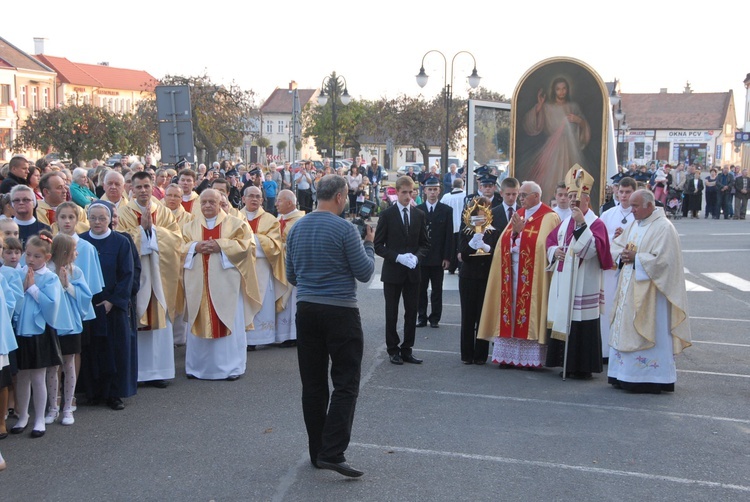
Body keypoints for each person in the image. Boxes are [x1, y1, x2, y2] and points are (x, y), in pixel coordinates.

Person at [286, 174, 375, 477]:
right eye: (347, 194)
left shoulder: (297, 227)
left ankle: (317, 451)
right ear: (339, 196)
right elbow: (364, 273)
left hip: (307, 309)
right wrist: (370, 246)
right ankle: (333, 451)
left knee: (312, 383)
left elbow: (291, 275)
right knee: (346, 381)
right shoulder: (345, 228)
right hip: (339, 311)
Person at [608, 189, 691, 393]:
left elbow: (665, 262)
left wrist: (637, 258)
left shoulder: (664, 228)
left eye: (636, 206)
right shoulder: (637, 223)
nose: (632, 210)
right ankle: (623, 374)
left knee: (651, 329)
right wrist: (623, 255)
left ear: (649, 205)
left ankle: (650, 377)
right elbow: (617, 246)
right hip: (629, 288)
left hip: (652, 296)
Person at [181, 189, 261, 380]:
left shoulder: (237, 224)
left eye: (212, 202)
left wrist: (221, 246)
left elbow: (247, 247)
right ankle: (197, 367)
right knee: (199, 318)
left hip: (227, 286)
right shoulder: (189, 227)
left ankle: (231, 367)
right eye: (204, 202)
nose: (208, 205)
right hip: (198, 284)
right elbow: (179, 248)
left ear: (220, 203)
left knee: (227, 319)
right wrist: (194, 247)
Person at [477, 181, 560, 367]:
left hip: (533, 278)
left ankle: (529, 359)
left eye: (524, 195)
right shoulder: (519, 214)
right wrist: (514, 235)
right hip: (512, 274)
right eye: (519, 195)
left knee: (528, 313)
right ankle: (508, 357)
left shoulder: (549, 217)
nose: (520, 198)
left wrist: (522, 235)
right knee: (511, 311)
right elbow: (502, 244)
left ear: (536, 196)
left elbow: (544, 247)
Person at [545, 167, 613, 379]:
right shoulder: (565, 221)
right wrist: (554, 251)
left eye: (577, 197)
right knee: (563, 318)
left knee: (581, 321)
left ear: (587, 199)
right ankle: (563, 363)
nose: (573, 201)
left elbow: (595, 251)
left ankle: (582, 367)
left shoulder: (596, 223)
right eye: (570, 196)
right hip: (563, 279)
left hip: (584, 281)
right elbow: (550, 241)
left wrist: (583, 226)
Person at [117, 172, 181, 389]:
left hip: (160, 276)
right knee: (137, 318)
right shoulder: (124, 212)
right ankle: (137, 371)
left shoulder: (163, 211)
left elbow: (176, 239)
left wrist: (152, 231)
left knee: (160, 322)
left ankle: (159, 371)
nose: (143, 190)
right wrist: (141, 232)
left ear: (152, 186)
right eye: (138, 187)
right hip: (137, 276)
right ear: (131, 189)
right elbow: (121, 238)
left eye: (146, 186)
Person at [11, 231, 71, 438]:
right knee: (21, 376)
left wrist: (33, 288)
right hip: (21, 331)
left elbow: (52, 304)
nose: (31, 260)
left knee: (38, 376)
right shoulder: (20, 273)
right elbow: (13, 299)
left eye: (36, 256)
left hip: (40, 332)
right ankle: (23, 416)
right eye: (28, 255)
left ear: (46, 258)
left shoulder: (50, 277)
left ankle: (39, 418)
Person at [78, 201, 137, 410]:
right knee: (91, 349)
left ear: (110, 219)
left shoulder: (121, 242)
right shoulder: (81, 241)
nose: (97, 222)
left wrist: (113, 301)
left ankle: (114, 394)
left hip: (113, 306)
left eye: (102, 218)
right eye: (93, 217)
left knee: (114, 350)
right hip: (89, 305)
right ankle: (92, 392)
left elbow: (127, 274)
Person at [374, 175, 430, 365]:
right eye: (404, 192)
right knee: (392, 312)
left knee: (411, 311)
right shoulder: (387, 215)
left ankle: (407, 348)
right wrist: (397, 257)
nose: (407, 196)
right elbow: (378, 245)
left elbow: (425, 244)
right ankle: (393, 349)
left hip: (413, 272)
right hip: (392, 272)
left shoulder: (419, 214)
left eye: (410, 192)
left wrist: (416, 256)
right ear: (396, 193)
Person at [44, 233, 95, 427]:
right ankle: (52, 406)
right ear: (64, 252)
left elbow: (85, 297)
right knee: (52, 367)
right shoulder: (47, 271)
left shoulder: (76, 272)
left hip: (71, 325)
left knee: (69, 364)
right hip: (53, 324)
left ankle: (67, 406)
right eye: (73, 250)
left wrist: (67, 285)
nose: (76, 253)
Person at [521, 77, 591, 203]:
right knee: (550, 179)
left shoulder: (573, 106)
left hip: (570, 148)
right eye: (558, 89)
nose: (561, 92)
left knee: (570, 176)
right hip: (552, 149)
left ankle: (571, 201)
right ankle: (551, 203)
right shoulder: (547, 107)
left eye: (564, 88)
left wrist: (579, 121)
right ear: (554, 90)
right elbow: (532, 124)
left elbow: (583, 127)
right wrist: (540, 106)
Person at [241, 186, 287, 350]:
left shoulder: (270, 219)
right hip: (241, 269)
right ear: (243, 199)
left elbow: (275, 246)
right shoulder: (234, 217)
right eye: (251, 196)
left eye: (258, 197)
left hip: (261, 267)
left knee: (261, 300)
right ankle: (242, 337)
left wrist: (248, 240)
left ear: (262, 200)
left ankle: (259, 337)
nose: (254, 199)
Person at [456, 197, 500, 364]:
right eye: (477, 215)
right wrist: (475, 242)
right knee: (468, 316)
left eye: (483, 215)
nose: (480, 218)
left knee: (483, 317)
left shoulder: (493, 232)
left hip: (485, 278)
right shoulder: (466, 231)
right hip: (468, 278)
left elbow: (496, 255)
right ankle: (467, 354)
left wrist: (486, 246)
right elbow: (464, 256)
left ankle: (481, 355)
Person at [598, 177, 636, 362]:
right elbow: (600, 236)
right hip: (610, 269)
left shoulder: (638, 214)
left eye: (628, 192)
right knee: (608, 308)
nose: (623, 196)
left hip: (629, 267)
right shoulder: (608, 214)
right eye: (621, 192)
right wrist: (615, 235)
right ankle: (605, 349)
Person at [416, 177, 453, 329]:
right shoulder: (418, 210)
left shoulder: (446, 210)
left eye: (435, 189)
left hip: (438, 257)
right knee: (421, 289)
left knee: (437, 290)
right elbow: (414, 235)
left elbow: (449, 235)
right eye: (429, 189)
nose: (432, 192)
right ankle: (422, 316)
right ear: (424, 191)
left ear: (439, 191)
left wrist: (447, 257)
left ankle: (435, 318)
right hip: (422, 257)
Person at [274, 190, 305, 346]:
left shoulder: (300, 220)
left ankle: (293, 335)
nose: (276, 204)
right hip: (278, 265)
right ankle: (282, 333)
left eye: (279, 201)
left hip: (293, 265)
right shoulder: (278, 219)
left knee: (292, 299)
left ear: (289, 203)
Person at [440, 178, 466, 274]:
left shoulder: (446, 197)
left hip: (451, 225)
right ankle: (460, 265)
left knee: (452, 247)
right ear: (462, 186)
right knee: (460, 246)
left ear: (452, 186)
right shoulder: (465, 195)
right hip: (462, 225)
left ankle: (451, 266)